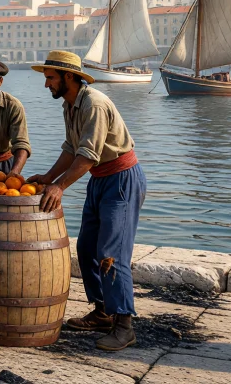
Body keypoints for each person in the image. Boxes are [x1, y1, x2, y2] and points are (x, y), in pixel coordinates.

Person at [28, 50, 145, 352]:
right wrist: (48, 178)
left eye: (50, 78)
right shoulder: (71, 104)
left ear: (69, 77)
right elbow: (72, 148)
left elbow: (88, 155)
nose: (46, 85)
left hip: (120, 180)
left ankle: (124, 325)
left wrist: (60, 187)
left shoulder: (93, 103)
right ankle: (103, 312)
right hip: (99, 180)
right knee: (87, 247)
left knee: (111, 254)